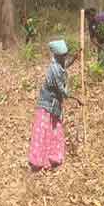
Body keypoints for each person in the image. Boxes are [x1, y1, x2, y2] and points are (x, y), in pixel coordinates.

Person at [28, 40, 81, 171]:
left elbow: (64, 67)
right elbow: (61, 90)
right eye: (63, 55)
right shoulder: (53, 69)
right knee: (42, 132)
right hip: (46, 105)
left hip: (55, 106)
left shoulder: (59, 64)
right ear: (57, 55)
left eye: (66, 55)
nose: (65, 57)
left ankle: (54, 158)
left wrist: (74, 58)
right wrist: (77, 99)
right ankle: (37, 161)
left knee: (55, 131)